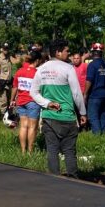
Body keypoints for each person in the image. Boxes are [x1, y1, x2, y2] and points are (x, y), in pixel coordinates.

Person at [30, 39, 87, 176]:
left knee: (52, 150)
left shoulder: (40, 69)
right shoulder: (68, 69)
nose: (69, 54)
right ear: (58, 52)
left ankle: (54, 180)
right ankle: (73, 179)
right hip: (67, 117)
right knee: (69, 151)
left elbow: (33, 93)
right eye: (67, 51)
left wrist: (47, 104)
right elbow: (76, 94)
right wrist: (83, 113)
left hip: (49, 117)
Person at [10, 50, 42, 153]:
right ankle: (30, 151)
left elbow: (15, 87)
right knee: (32, 127)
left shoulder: (19, 71)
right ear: (37, 61)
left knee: (23, 126)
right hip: (33, 101)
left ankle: (23, 151)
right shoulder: (37, 73)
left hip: (21, 101)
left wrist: (12, 100)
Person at [84, 43, 105, 134]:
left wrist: (85, 93)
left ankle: (97, 135)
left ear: (93, 53)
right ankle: (103, 132)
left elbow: (89, 80)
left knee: (93, 116)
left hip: (95, 94)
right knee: (101, 114)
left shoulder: (92, 65)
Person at [0, 43, 14, 119]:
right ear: (1, 49)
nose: (6, 50)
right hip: (2, 83)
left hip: (9, 83)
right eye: (4, 49)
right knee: (3, 101)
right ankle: (3, 116)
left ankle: (9, 115)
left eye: (7, 48)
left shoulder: (9, 58)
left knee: (9, 100)